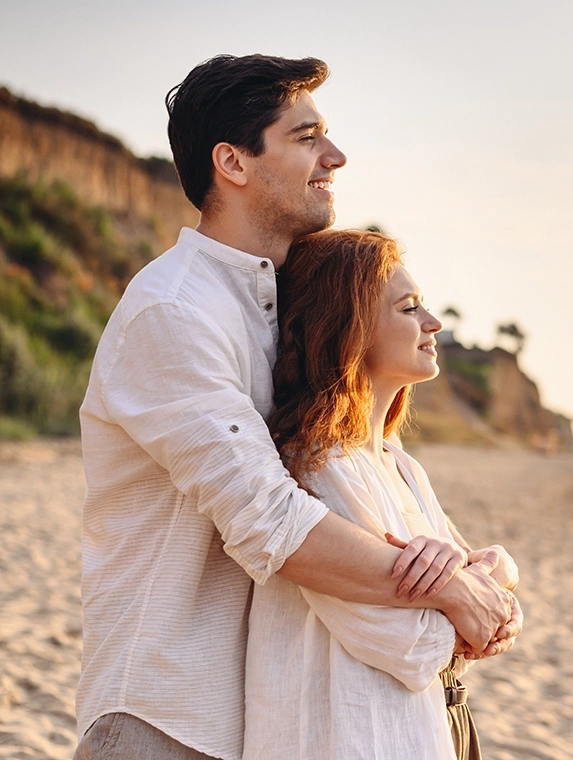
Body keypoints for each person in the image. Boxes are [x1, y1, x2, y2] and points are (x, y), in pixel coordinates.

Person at [74, 54, 520, 760]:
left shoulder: (286, 306)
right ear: (233, 162)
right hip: (168, 713)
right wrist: (452, 595)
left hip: (271, 716)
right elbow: (272, 522)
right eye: (306, 137)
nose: (335, 156)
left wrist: (469, 570)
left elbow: (365, 471)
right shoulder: (174, 310)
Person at [243, 228, 520, 760]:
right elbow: (410, 645)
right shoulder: (318, 463)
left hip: (436, 726)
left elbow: (483, 580)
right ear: (349, 328)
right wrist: (470, 600)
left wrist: (494, 571)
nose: (432, 323)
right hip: (352, 737)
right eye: (409, 308)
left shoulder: (398, 463)